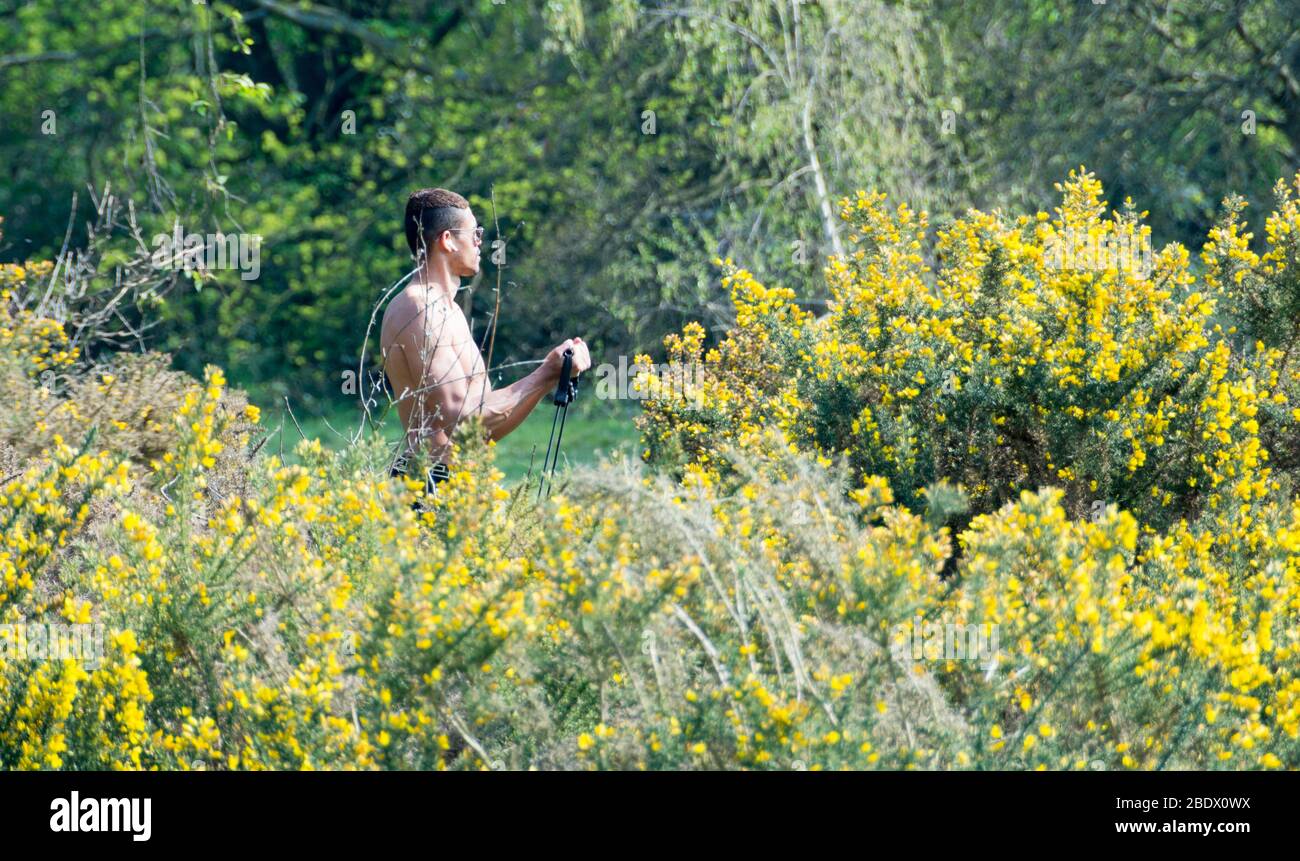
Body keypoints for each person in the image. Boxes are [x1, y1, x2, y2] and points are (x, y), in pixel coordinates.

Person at [380, 187, 591, 500]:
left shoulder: (447, 309)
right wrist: (546, 373)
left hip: (457, 482)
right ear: (447, 240)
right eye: (474, 232)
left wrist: (552, 377)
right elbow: (461, 423)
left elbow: (484, 429)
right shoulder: (420, 308)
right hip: (428, 483)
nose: (481, 241)